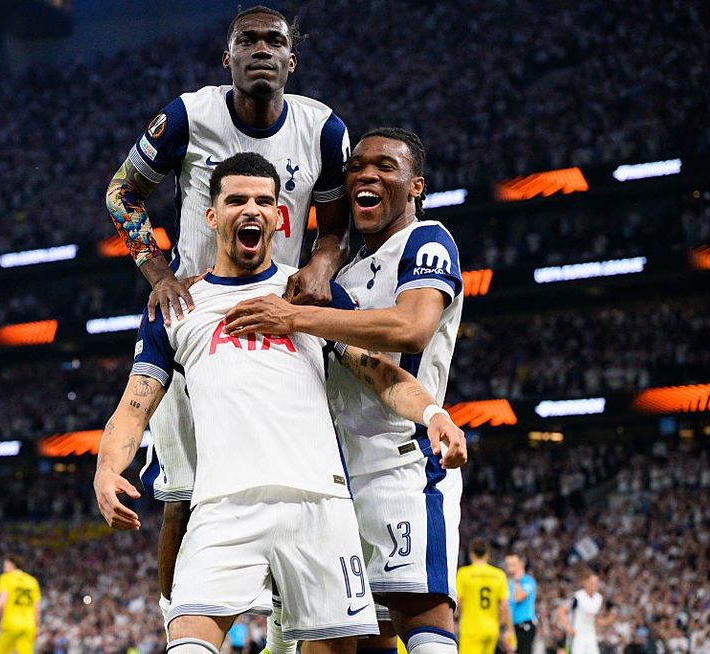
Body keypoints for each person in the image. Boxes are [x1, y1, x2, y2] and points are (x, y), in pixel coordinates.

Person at [93, 153, 466, 654]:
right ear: (211, 215)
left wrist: (433, 413)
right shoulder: (177, 305)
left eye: (264, 201)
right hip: (223, 504)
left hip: (322, 507)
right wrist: (107, 467)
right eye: (236, 200)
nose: (251, 209)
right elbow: (134, 408)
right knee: (186, 642)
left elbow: (381, 374)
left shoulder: (310, 296)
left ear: (279, 217)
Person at [103, 6, 351, 635]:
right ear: (228, 57)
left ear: (292, 60)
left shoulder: (323, 129)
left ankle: (291, 631)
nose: (261, 50)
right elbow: (121, 192)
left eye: (275, 41)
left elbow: (338, 216)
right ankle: (176, 624)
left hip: (286, 320)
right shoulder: (191, 115)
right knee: (183, 492)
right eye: (248, 40)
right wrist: (160, 275)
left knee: (302, 486)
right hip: (197, 316)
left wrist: (322, 264)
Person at [223, 127, 466, 654]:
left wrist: (299, 316)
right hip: (338, 474)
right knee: (365, 632)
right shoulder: (349, 276)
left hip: (401, 460)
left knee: (420, 610)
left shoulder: (426, 240)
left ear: (416, 186)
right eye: (356, 166)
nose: (366, 174)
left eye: (385, 166)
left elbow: (412, 328)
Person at [456, 540, 514, 654]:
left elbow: (459, 601)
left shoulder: (464, 573)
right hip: (491, 629)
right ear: (488, 554)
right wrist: (509, 628)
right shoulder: (499, 574)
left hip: (471, 628)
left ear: (471, 554)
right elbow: (504, 605)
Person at [0, 557, 42, 654]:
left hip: (10, 624)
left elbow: (1, 601)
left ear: (12, 565)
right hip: (29, 625)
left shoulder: (6, 578)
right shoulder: (32, 581)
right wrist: (37, 626)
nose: (4, 568)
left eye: (5, 565)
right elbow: (36, 607)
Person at [557, 572, 613, 654]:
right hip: (577, 634)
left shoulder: (599, 598)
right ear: (585, 583)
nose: (593, 586)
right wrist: (568, 626)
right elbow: (561, 610)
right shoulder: (578, 596)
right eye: (591, 583)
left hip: (590, 634)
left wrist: (607, 620)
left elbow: (595, 619)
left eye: (596, 583)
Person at [505, 553, 537, 654]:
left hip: (524, 625)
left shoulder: (528, 581)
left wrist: (517, 581)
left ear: (521, 565)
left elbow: (518, 597)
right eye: (508, 565)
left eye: (513, 564)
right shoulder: (508, 583)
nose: (510, 568)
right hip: (511, 626)